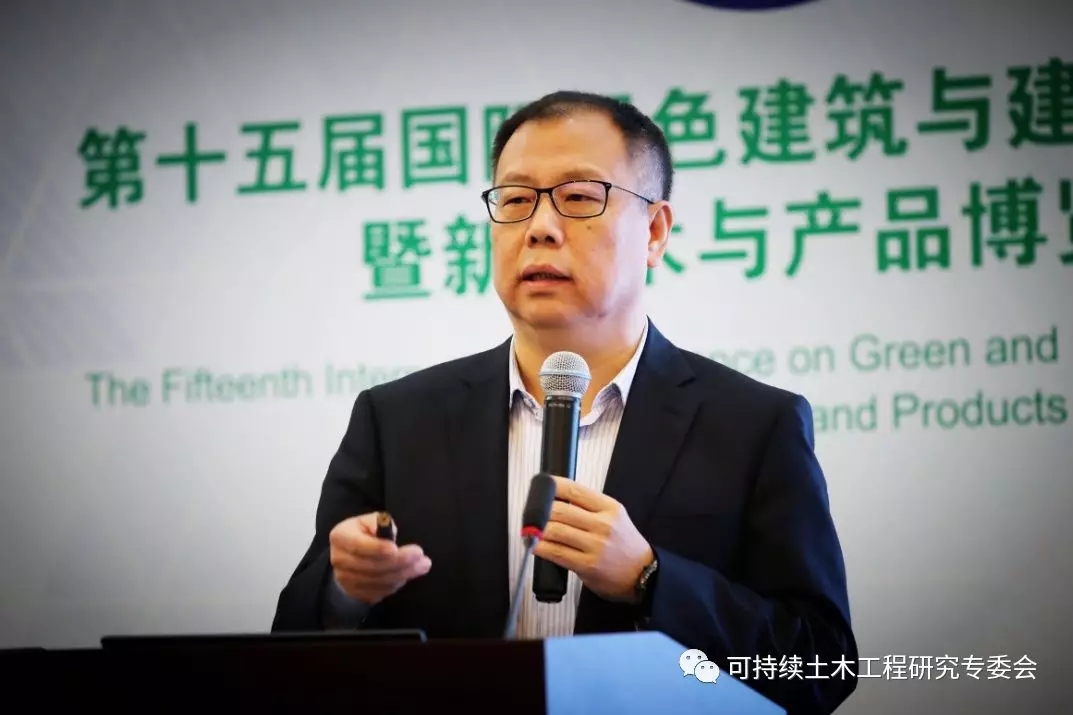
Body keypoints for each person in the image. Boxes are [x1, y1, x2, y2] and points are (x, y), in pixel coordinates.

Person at [272, 90, 858, 714]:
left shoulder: (754, 425)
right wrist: (344, 591)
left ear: (655, 231)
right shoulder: (396, 421)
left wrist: (652, 579)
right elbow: (291, 647)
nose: (540, 227)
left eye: (579, 197)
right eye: (515, 200)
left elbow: (821, 664)